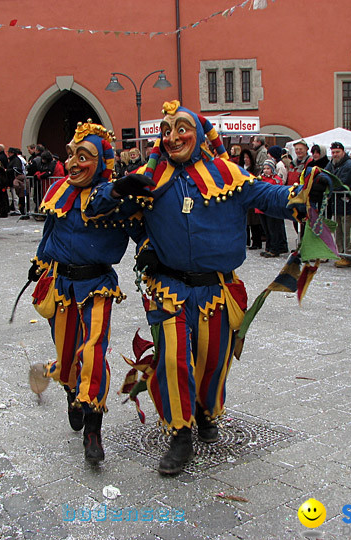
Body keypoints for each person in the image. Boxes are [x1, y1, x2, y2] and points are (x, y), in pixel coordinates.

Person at [87, 101, 324, 475]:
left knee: (214, 363)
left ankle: (205, 411)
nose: (173, 136)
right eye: (167, 131)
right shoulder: (150, 178)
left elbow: (270, 197)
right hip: (168, 289)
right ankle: (180, 434)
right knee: (172, 361)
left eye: (182, 128)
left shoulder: (228, 175)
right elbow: (98, 207)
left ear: (199, 134)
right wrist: (118, 190)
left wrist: (308, 189)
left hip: (217, 290)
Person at [28, 121, 142, 466]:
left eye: (84, 156)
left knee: (93, 352)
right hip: (61, 284)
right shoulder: (59, 190)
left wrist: (152, 255)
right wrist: (38, 261)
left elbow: (141, 232)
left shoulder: (115, 198)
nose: (74, 163)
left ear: (102, 161)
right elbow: (50, 232)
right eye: (71, 155)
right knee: (67, 357)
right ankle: (69, 390)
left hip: (97, 286)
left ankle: (94, 429)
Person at [326, 142, 351, 268]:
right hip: (336, 204)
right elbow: (325, 176)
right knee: (338, 230)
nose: (335, 155)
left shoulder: (349, 165)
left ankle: (349, 255)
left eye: (337, 152)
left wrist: (330, 187)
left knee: (348, 230)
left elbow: (341, 183)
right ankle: (340, 253)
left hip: (348, 204)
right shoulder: (332, 164)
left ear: (343, 152)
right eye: (333, 152)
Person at [257, 159, 288, 257]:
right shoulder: (260, 179)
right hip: (262, 207)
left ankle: (275, 248)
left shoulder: (276, 180)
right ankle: (268, 247)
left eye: (268, 169)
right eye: (264, 168)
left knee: (273, 228)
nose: (266, 171)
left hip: (272, 207)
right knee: (266, 229)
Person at [240, 148, 263, 250]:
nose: (246, 159)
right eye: (244, 157)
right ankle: (246, 240)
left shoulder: (256, 169)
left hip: (252, 197)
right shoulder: (240, 168)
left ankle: (257, 241)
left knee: (254, 221)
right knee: (245, 221)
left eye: (247, 158)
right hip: (243, 197)